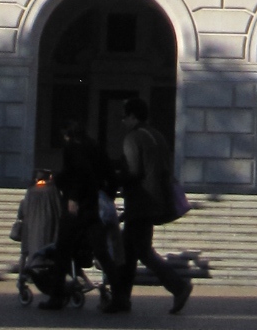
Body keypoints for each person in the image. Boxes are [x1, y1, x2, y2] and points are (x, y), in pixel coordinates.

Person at [112, 95, 193, 316]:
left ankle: (178, 286)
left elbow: (134, 171)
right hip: (156, 201)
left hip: (140, 202)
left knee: (142, 251)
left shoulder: (133, 138)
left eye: (124, 117)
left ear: (132, 116)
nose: (123, 121)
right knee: (129, 252)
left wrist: (114, 178)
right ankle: (121, 299)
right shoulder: (157, 135)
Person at [58, 122, 118, 307]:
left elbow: (77, 174)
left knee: (63, 248)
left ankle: (57, 296)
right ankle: (120, 296)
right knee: (101, 251)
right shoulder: (96, 147)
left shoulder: (73, 148)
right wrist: (109, 195)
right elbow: (111, 174)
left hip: (79, 206)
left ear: (68, 135)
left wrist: (72, 196)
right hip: (94, 204)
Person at [11, 169, 67, 309]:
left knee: (26, 255)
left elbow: (22, 211)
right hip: (50, 232)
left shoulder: (30, 192)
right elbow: (60, 210)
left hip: (31, 232)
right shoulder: (53, 191)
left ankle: (22, 280)